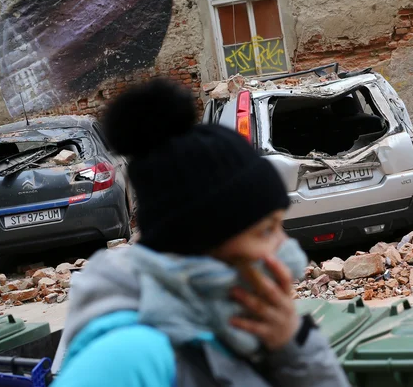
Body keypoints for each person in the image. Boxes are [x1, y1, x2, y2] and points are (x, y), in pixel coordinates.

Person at [52, 80, 349, 387]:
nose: (285, 246)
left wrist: (292, 346)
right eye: (266, 231)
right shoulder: (129, 357)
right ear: (201, 242)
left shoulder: (229, 325)